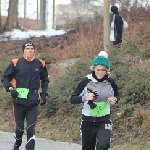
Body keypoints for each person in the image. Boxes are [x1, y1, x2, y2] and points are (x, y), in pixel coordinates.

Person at [1, 39, 49, 150]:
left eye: (32, 49)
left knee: (31, 129)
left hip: (33, 102)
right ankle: (17, 143)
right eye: (28, 49)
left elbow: (45, 79)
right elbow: (5, 78)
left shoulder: (40, 63)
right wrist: (10, 89)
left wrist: (44, 92)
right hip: (18, 102)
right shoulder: (16, 63)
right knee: (19, 130)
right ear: (23, 51)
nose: (30, 51)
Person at [70, 51, 120, 150]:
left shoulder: (110, 82)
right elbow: (72, 99)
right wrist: (85, 98)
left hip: (104, 120)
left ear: (107, 71)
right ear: (93, 69)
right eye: (98, 70)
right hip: (88, 121)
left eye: (103, 70)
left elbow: (117, 96)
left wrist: (114, 99)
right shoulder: (86, 81)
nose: (100, 73)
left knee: (103, 145)